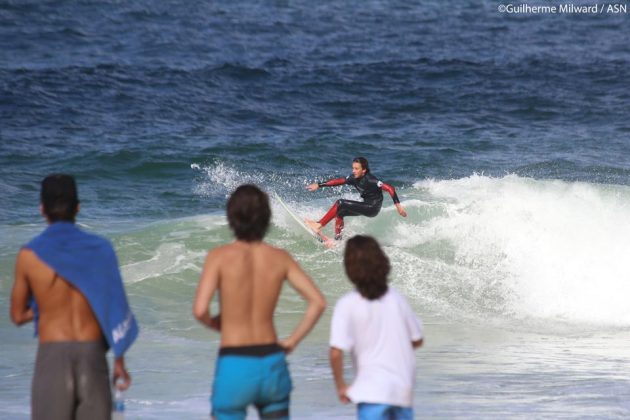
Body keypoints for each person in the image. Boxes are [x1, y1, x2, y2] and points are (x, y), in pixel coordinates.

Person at [10, 174, 138, 420]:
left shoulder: (29, 255)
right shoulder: (101, 248)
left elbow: (17, 315)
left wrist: (47, 306)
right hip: (92, 356)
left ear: (42, 209)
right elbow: (116, 309)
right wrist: (119, 361)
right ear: (78, 207)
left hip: (52, 358)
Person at [193, 184, 327, 420]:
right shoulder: (280, 258)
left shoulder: (219, 257)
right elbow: (317, 302)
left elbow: (200, 310)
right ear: (266, 217)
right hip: (272, 362)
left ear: (231, 216)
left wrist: (218, 324)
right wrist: (293, 341)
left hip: (235, 365)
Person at [329, 235, 423, 420]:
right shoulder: (397, 299)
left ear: (350, 268)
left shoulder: (347, 304)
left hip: (371, 391)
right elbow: (417, 340)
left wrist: (341, 386)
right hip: (401, 391)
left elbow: (335, 352)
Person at [305, 157, 407, 240]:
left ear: (364, 170)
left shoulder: (371, 180)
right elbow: (339, 181)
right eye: (353, 168)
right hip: (366, 205)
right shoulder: (354, 178)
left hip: (373, 208)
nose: (353, 171)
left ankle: (318, 225)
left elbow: (390, 188)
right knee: (340, 212)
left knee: (340, 203)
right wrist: (319, 185)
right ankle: (338, 239)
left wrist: (398, 207)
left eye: (356, 169)